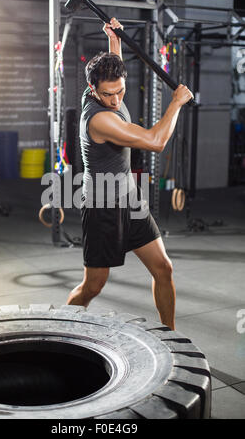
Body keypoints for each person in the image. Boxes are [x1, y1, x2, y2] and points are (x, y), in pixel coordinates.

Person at [66, 18, 193, 330]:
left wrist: (114, 41)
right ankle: (61, 324)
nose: (116, 100)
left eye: (120, 91)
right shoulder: (98, 120)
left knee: (163, 268)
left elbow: (115, 69)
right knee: (94, 286)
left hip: (129, 200)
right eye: (108, 95)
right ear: (91, 90)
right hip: (102, 207)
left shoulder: (110, 87)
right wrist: (176, 102)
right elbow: (155, 141)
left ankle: (171, 337)